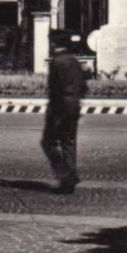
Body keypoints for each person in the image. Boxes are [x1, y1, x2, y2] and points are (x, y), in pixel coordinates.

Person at [43, 36, 87, 193]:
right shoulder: (74, 61)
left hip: (60, 108)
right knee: (69, 142)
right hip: (74, 106)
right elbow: (83, 86)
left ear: (54, 43)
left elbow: (55, 88)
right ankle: (69, 178)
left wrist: (52, 112)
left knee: (48, 142)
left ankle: (66, 174)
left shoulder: (56, 61)